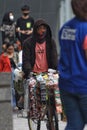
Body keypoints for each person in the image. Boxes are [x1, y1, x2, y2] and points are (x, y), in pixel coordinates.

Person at [58, 0, 87, 129]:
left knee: (75, 125)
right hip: (84, 85)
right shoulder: (85, 28)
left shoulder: (65, 28)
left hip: (67, 84)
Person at [0, 43, 19, 110]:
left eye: (12, 49)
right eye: (9, 49)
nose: (11, 50)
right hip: (6, 73)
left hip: (16, 73)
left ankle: (14, 104)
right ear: (7, 49)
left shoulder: (16, 55)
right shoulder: (3, 56)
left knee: (14, 89)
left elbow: (18, 64)